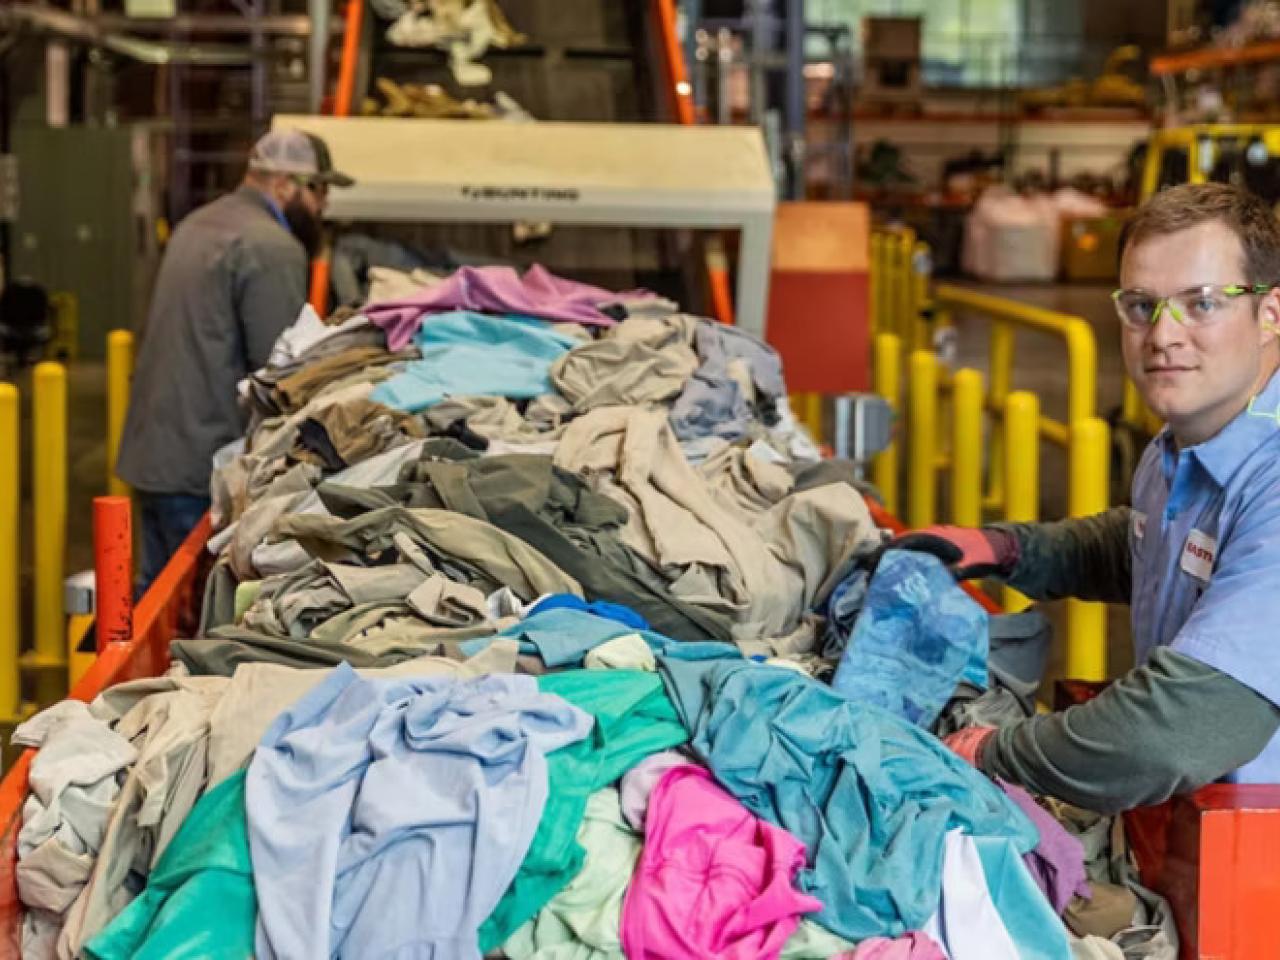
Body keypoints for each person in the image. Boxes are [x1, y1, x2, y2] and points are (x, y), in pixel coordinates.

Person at [893, 182, 1280, 813]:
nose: (1163, 335)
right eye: (1141, 305)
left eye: (1202, 303)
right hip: (1199, 838)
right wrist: (1010, 547)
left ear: (1270, 314)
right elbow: (1158, 547)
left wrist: (995, 751)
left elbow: (1172, 734)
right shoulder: (1178, 450)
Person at [115, 129, 353, 590]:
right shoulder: (269, 246)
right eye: (318, 190)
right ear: (285, 184)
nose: (323, 207)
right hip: (200, 466)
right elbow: (282, 376)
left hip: (157, 453)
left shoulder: (199, 223)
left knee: (154, 599)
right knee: (191, 616)